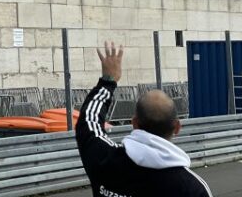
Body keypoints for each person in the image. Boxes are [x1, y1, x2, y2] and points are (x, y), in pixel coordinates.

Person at [76, 41, 212, 197]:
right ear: (177, 127)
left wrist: (108, 81)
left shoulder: (104, 159)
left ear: (134, 122)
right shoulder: (192, 188)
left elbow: (88, 120)